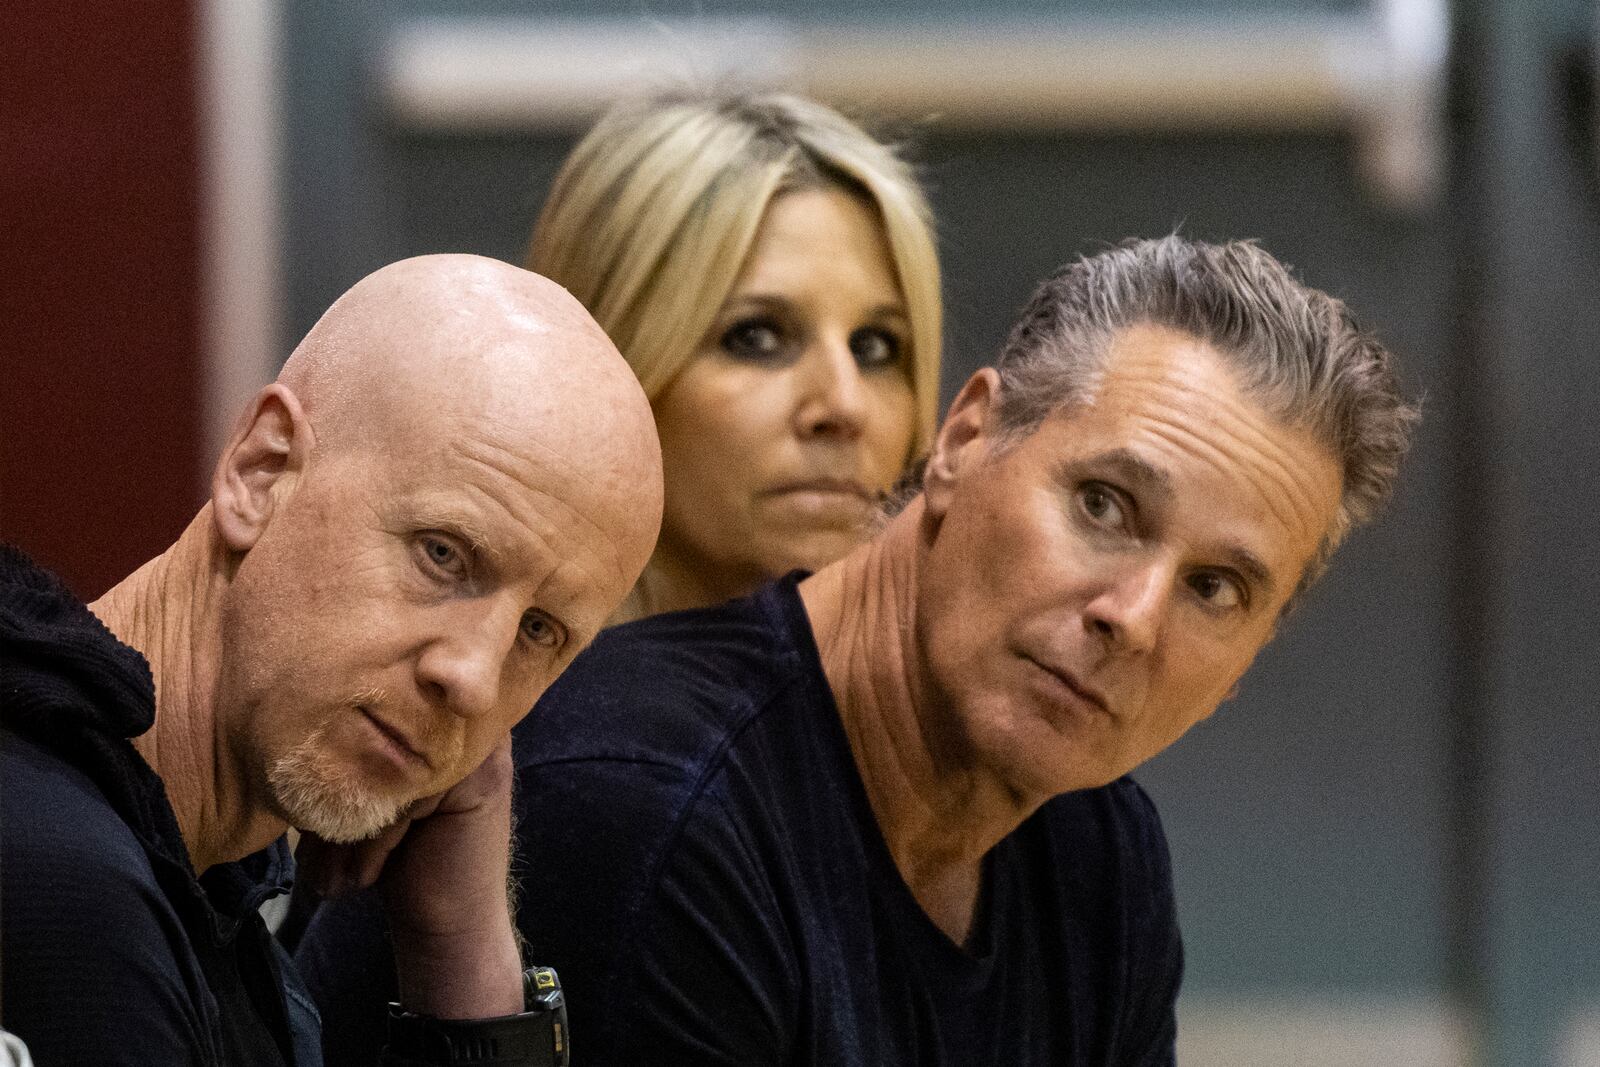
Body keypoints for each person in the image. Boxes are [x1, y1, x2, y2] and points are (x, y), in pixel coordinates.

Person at [297, 235, 1418, 1065]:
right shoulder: (648, 808)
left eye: (1216, 587)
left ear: (1250, 657)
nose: (1132, 611)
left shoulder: (1096, 849)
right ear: (965, 436)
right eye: (1104, 504)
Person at [0, 254, 663, 1065]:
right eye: (443, 555)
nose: (472, 679)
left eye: (539, 631)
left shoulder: (211, 894)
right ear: (262, 470)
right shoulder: (63, 895)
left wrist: (460, 947)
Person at [527, 91, 943, 621]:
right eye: (756, 338)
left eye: (874, 348)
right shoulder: (463, 689)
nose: (844, 405)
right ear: (610, 365)